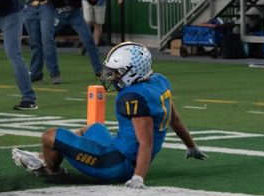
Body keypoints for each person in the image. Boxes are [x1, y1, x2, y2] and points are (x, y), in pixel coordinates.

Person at [12, 42, 206, 186]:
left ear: (134, 72)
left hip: (116, 165)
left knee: (49, 136)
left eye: (117, 72)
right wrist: (191, 146)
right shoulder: (159, 81)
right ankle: (44, 158)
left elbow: (146, 141)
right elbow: (175, 120)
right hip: (120, 151)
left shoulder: (133, 96)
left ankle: (49, 171)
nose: (111, 76)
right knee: (93, 128)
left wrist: (138, 177)